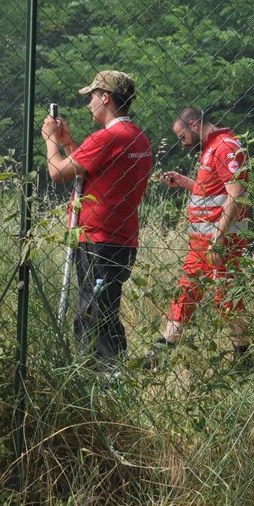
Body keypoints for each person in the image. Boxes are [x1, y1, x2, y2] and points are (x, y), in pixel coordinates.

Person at [40, 69, 153, 365]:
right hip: (123, 237)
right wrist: (68, 143)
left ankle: (102, 375)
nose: (89, 104)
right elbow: (92, 168)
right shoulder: (138, 138)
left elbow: (57, 173)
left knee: (93, 314)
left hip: (97, 238)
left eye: (91, 97)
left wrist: (51, 139)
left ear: (105, 98)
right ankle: (107, 372)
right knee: (104, 306)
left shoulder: (107, 137)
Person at [152, 106, 252, 354]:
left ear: (194, 124)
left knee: (224, 293)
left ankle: (242, 352)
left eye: (182, 136)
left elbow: (236, 194)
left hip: (220, 240)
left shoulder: (225, 147)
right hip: (204, 240)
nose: (183, 143)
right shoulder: (211, 148)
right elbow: (214, 191)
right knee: (192, 289)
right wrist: (186, 182)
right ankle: (165, 347)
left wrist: (218, 238)